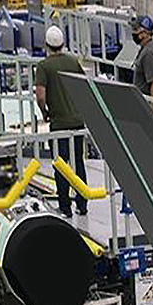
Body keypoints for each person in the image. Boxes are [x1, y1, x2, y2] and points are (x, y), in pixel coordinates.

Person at [34, 26, 88, 218]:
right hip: (77, 122)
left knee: (60, 164)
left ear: (46, 45)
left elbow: (40, 96)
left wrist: (45, 112)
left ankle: (65, 207)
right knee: (78, 162)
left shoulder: (44, 66)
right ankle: (82, 204)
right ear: (63, 43)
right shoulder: (73, 62)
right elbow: (84, 86)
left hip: (59, 124)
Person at [131, 16, 153, 117]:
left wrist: (152, 111)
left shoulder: (149, 53)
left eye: (136, 30)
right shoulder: (145, 50)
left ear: (144, 33)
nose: (134, 33)